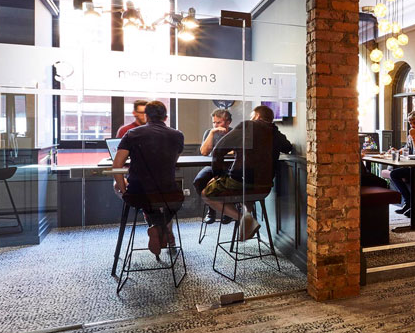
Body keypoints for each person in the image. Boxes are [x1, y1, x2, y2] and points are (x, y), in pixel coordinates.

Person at [203, 105, 292, 240]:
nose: (250, 118)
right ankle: (247, 217)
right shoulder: (274, 131)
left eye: (252, 116)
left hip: (241, 182)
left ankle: (245, 220)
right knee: (247, 196)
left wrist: (218, 175)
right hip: (264, 187)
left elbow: (218, 150)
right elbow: (287, 147)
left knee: (206, 194)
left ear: (257, 116)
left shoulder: (247, 126)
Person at [112, 100, 185, 257]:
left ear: (146, 116)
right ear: (165, 117)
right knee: (163, 199)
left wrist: (125, 192)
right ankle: (161, 227)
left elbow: (117, 166)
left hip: (139, 193)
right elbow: (172, 162)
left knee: (121, 187)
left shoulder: (132, 134)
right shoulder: (178, 135)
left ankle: (155, 225)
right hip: (170, 194)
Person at [193, 108, 233, 224]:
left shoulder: (234, 133)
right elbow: (204, 152)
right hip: (212, 166)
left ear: (228, 122)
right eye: (214, 122)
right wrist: (212, 133)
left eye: (218, 122)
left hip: (229, 168)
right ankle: (212, 209)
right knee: (199, 181)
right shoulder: (209, 132)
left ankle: (229, 211)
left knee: (225, 183)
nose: (215, 125)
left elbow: (235, 152)